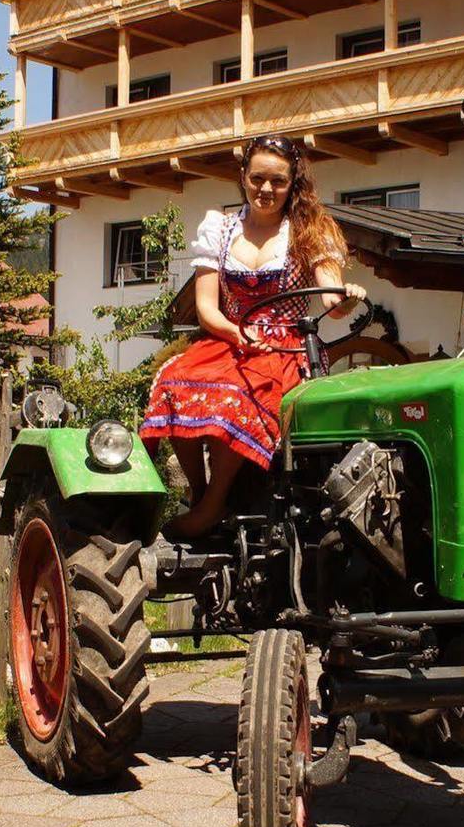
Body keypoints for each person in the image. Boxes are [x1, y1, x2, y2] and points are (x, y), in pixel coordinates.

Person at [141, 135, 366, 537]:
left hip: (287, 347)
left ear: (292, 183)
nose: (267, 189)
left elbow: (330, 295)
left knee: (237, 395)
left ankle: (214, 503)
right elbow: (208, 308)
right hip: (231, 338)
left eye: (278, 181)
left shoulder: (308, 230)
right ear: (243, 177)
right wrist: (236, 331)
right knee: (172, 382)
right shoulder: (221, 229)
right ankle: (201, 492)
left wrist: (346, 299)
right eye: (258, 178)